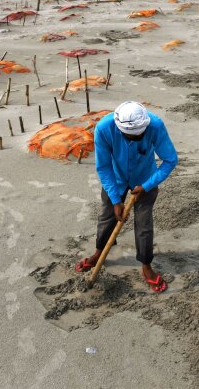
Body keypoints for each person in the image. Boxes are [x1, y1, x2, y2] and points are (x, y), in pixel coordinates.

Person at [76, 101, 178, 293]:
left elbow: (170, 160)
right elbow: (103, 167)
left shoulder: (154, 125)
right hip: (115, 179)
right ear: (120, 129)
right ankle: (99, 252)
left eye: (140, 135)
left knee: (144, 224)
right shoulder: (104, 128)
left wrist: (147, 185)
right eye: (132, 136)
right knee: (107, 216)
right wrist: (116, 200)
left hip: (146, 178)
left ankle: (146, 266)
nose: (137, 138)